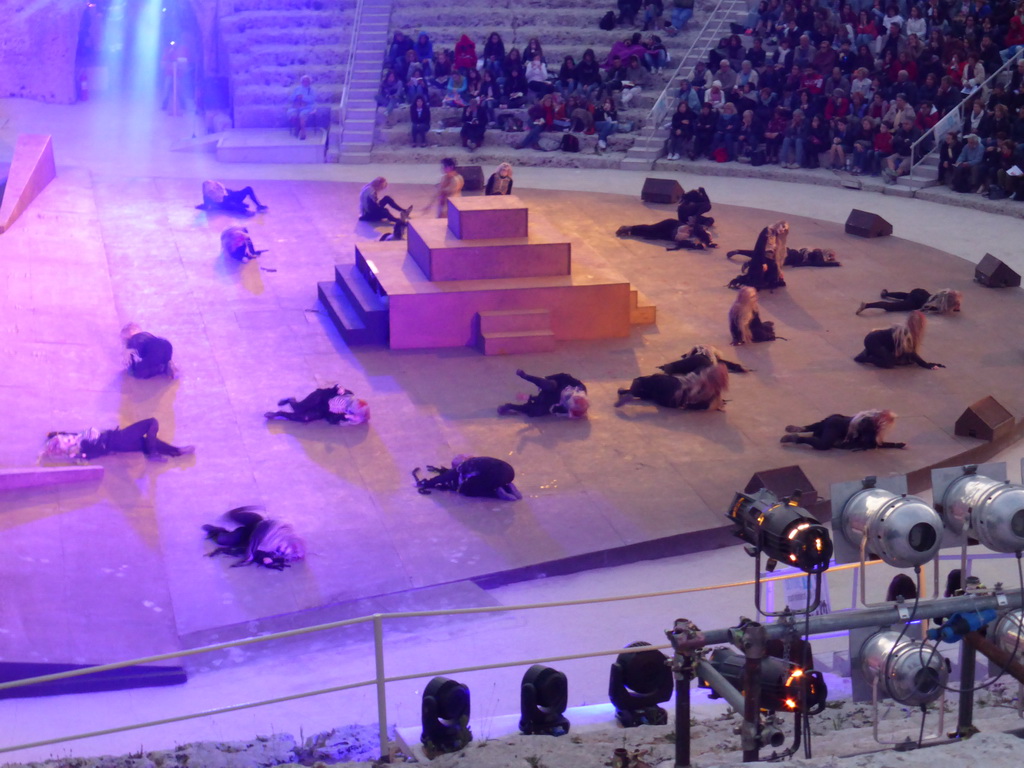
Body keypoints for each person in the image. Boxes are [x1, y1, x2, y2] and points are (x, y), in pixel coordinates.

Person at [42, 419, 194, 463]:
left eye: (64, 437)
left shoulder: (75, 439)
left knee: (146, 442)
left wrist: (55, 435)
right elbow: (90, 456)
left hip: (118, 442)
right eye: (65, 440)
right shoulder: (81, 449)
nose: (68, 437)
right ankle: (154, 453)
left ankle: (177, 451)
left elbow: (69, 434)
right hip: (117, 440)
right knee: (151, 423)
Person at [203, 506, 306, 570]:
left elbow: (259, 552)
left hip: (250, 535)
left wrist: (265, 559)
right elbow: (253, 546)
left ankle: (217, 531)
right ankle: (252, 517)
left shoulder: (282, 547)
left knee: (223, 539)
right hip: (258, 525)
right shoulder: (280, 528)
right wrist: (250, 557)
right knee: (232, 515)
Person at [614, 363, 730, 411]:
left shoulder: (703, 370)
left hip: (676, 386)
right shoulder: (712, 394)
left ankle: (631, 392)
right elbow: (696, 406)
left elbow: (688, 375)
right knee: (652, 393)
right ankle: (632, 393)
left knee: (645, 381)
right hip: (671, 402)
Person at [853, 310, 945, 369]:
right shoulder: (905, 334)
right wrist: (926, 365)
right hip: (872, 340)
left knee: (893, 359)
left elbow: (909, 354)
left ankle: (870, 352)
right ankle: (864, 358)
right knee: (889, 363)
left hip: (878, 340)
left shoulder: (907, 333)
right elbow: (911, 353)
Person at [780, 409, 905, 451]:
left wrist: (894, 445)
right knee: (823, 445)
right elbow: (871, 444)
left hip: (836, 419)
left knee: (820, 428)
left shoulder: (869, 415)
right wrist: (893, 445)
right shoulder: (869, 425)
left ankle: (804, 428)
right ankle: (798, 439)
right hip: (837, 427)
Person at [414, 456, 522, 500]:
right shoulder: (476, 460)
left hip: (496, 476)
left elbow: (446, 477)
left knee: (468, 491)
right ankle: (507, 485)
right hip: (509, 471)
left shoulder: (461, 468)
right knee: (489, 477)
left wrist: (428, 483)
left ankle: (497, 493)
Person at [497, 370, 589, 419]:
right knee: (551, 385)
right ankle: (526, 376)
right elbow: (564, 376)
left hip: (550, 398)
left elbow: (549, 404)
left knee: (538, 410)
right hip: (555, 386)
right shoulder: (580, 387)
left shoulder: (564, 409)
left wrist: (528, 397)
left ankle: (510, 406)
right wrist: (546, 378)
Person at [726, 220, 788, 290]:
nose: (783, 230)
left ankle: (745, 258)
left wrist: (779, 270)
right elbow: (760, 248)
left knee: (772, 279)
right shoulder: (767, 231)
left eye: (785, 230)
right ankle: (747, 260)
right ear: (778, 225)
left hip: (770, 257)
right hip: (761, 257)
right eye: (782, 228)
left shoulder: (780, 236)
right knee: (756, 282)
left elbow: (779, 256)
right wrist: (763, 262)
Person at [264, 385, 369, 425]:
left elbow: (331, 420)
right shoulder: (348, 395)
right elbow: (333, 389)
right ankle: (291, 401)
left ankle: (280, 414)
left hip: (322, 411)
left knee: (304, 418)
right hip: (320, 397)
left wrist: (345, 416)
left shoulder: (346, 417)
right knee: (299, 409)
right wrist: (337, 389)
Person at [615, 218, 715, 250]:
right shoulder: (684, 232)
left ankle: (631, 231)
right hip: (669, 226)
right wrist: (694, 245)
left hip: (669, 233)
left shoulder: (705, 234)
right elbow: (678, 239)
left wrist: (703, 244)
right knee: (651, 229)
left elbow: (707, 240)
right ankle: (629, 228)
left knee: (652, 235)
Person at [856, 288, 963, 315]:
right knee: (891, 307)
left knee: (905, 295)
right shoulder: (939, 306)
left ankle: (886, 293)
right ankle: (867, 305)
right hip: (916, 302)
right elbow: (925, 309)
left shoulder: (941, 295)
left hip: (919, 292)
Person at [657, 344, 749, 375]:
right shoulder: (712, 355)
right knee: (695, 374)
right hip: (706, 365)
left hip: (699, 360)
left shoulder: (698, 350)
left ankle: (666, 368)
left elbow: (685, 359)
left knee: (679, 367)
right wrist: (738, 367)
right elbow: (725, 363)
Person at [196, 180, 268, 214]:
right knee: (230, 203)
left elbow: (229, 192)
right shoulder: (208, 195)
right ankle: (243, 209)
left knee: (248, 189)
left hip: (233, 196)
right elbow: (219, 203)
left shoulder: (218, 186)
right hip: (229, 201)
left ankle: (258, 206)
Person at [287, 74, 316, 140]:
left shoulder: (311, 90)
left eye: (307, 81)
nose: (305, 82)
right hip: (296, 106)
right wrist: (296, 97)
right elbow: (291, 98)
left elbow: (312, 99)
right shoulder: (297, 89)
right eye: (303, 81)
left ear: (309, 82)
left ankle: (303, 132)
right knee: (292, 114)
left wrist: (303, 97)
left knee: (302, 115)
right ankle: (297, 128)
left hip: (307, 107)